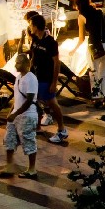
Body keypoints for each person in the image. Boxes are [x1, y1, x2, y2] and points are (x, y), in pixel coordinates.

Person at [0, 54, 39, 179]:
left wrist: (15, 113)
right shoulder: (19, 77)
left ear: (27, 64)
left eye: (19, 63)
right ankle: (9, 165)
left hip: (27, 115)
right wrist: (11, 112)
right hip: (16, 115)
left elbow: (29, 100)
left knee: (28, 141)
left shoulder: (31, 78)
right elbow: (18, 98)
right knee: (9, 140)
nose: (16, 65)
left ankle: (32, 169)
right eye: (16, 62)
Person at [28, 14, 68, 143]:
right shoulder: (35, 39)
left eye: (31, 25)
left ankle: (62, 129)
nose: (29, 27)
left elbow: (57, 63)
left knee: (52, 103)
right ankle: (37, 125)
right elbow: (33, 56)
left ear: (36, 26)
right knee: (37, 101)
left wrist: (54, 82)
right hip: (36, 77)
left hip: (47, 77)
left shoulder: (51, 42)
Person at [72, 0, 105, 109]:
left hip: (94, 46)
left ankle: (97, 99)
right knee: (104, 74)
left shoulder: (81, 16)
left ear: (78, 6)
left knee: (93, 72)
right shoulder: (99, 12)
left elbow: (81, 39)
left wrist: (73, 50)